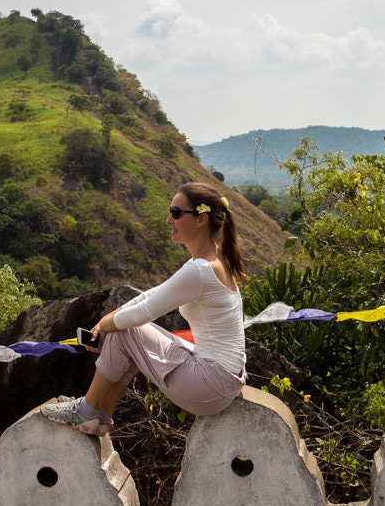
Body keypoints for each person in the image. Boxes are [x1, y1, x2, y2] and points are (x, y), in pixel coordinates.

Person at [41, 182, 248, 435]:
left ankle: (88, 408)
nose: (167, 220)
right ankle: (101, 415)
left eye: (175, 213)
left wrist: (103, 326)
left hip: (210, 384)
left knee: (125, 329)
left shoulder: (201, 270)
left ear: (201, 220)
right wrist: (107, 321)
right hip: (221, 378)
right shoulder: (214, 258)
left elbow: (144, 312)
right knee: (122, 327)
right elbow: (154, 294)